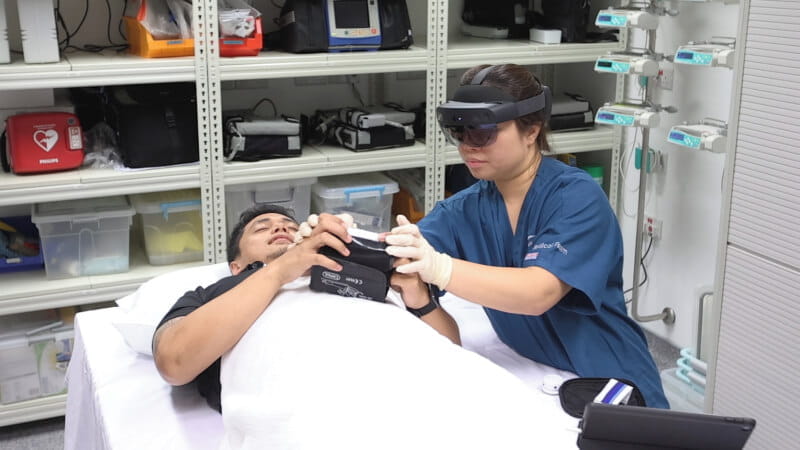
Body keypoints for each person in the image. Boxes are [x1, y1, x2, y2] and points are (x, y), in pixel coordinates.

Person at [383, 63, 670, 409]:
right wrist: (337, 237)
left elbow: (538, 293)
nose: (468, 146)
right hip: (535, 376)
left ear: (531, 130)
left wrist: (440, 269)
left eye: (482, 132)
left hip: (609, 379)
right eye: (458, 132)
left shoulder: (575, 197)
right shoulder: (461, 211)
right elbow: (394, 260)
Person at [152, 203, 458, 412]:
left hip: (408, 388)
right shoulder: (215, 294)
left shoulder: (360, 272)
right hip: (309, 403)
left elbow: (452, 352)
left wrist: (420, 299)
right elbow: (173, 362)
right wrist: (281, 269)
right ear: (236, 266)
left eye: (289, 226)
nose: (279, 228)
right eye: (261, 228)